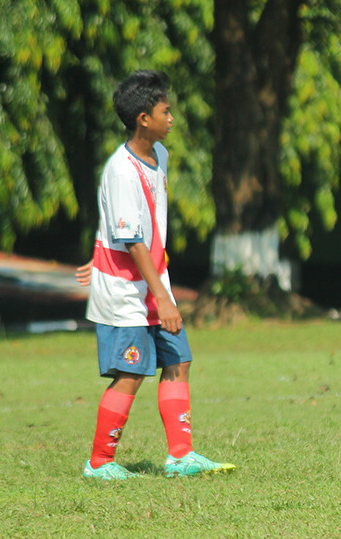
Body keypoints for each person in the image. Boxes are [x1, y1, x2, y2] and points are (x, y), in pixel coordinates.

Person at [82, 70, 235, 480]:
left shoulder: (159, 156)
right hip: (126, 289)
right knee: (131, 372)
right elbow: (130, 240)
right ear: (142, 119)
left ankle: (180, 456)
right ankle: (99, 463)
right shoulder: (121, 171)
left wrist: (162, 291)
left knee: (178, 360)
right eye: (166, 111)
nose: (172, 118)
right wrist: (163, 298)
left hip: (154, 282)